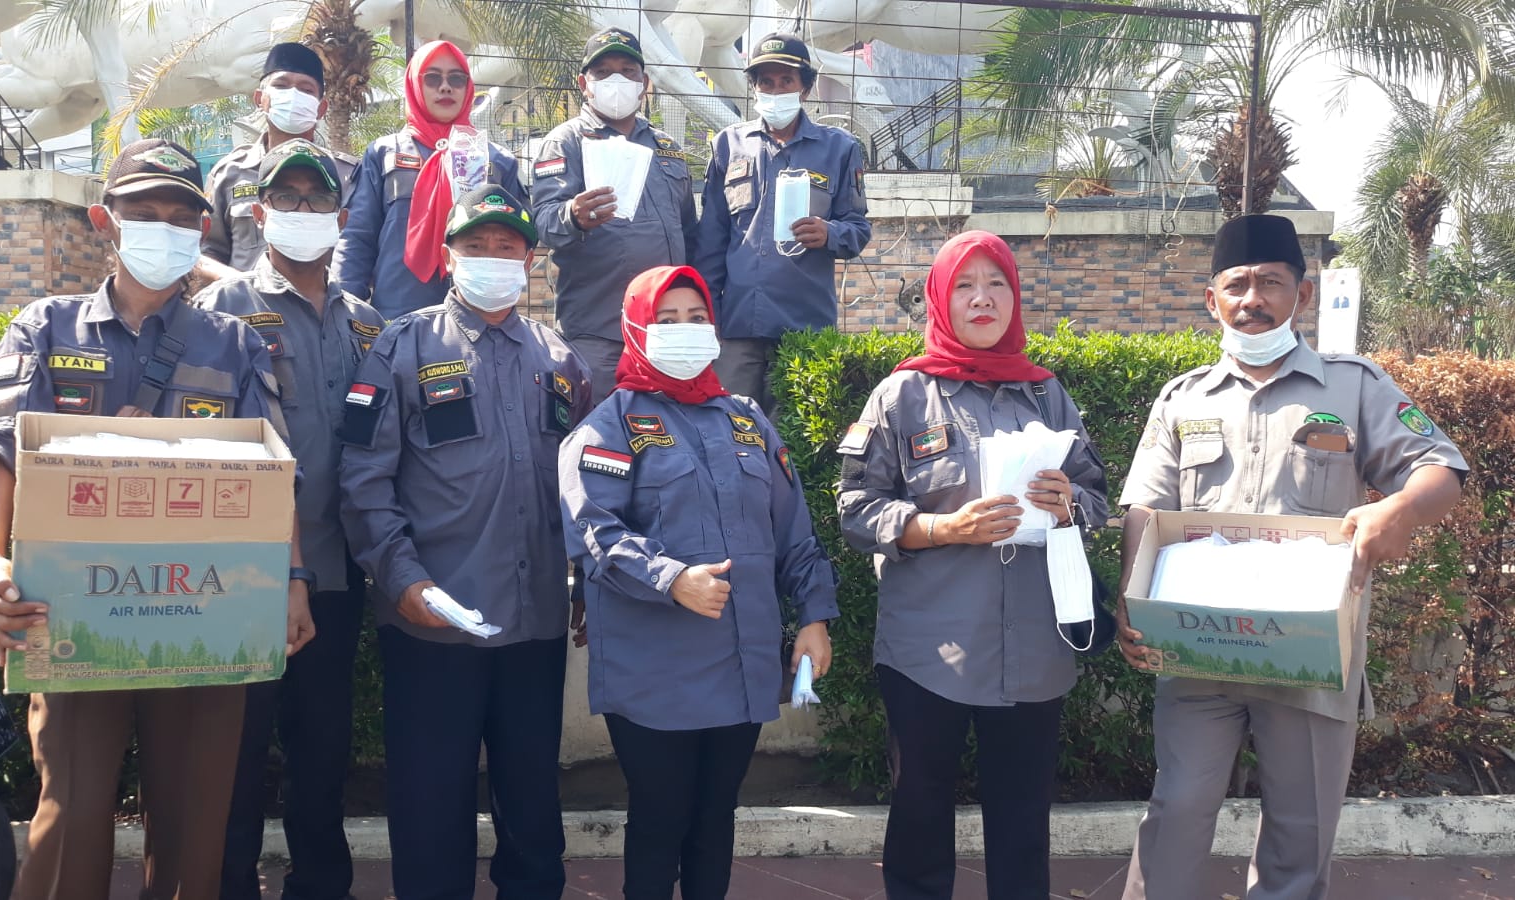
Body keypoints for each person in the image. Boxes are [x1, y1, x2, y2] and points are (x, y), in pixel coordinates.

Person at [0, 138, 314, 900]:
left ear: (201, 230)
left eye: (181, 217)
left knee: (195, 825)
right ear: (105, 221)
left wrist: (291, 578)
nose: (164, 228)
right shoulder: (45, 330)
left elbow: (274, 468)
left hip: (206, 609)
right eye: (144, 213)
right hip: (74, 608)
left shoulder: (236, 344)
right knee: (73, 814)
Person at [1114, 214, 1468, 900]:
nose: (1254, 299)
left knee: (1299, 835)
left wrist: (1402, 508)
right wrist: (1132, 600)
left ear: (1301, 296)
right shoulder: (1182, 398)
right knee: (1179, 811)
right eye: (1237, 285)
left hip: (1309, 656)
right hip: (1197, 653)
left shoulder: (1354, 386)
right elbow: (1145, 510)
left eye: (1271, 283)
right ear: (1211, 299)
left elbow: (1440, 467)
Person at [836, 231, 1108, 900]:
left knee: (1021, 820)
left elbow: (1098, 495)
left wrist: (1070, 503)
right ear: (940, 298)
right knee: (921, 812)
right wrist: (939, 528)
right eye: (965, 285)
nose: (982, 298)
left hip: (1035, 650)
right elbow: (855, 508)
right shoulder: (902, 396)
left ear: (1014, 298)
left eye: (997, 284)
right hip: (931, 649)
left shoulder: (1048, 396)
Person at [338, 184, 590, 900]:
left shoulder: (562, 360)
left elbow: (587, 489)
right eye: (474, 247)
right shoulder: (400, 345)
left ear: (530, 259)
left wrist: (584, 585)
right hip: (432, 620)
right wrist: (402, 579)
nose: (491, 259)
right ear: (448, 257)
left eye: (506, 248)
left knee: (533, 799)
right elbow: (363, 477)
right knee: (429, 801)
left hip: (534, 619)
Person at [558, 264, 838, 900]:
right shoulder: (610, 426)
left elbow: (793, 529)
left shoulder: (745, 420)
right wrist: (672, 577)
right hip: (656, 674)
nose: (684, 331)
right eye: (666, 320)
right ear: (636, 328)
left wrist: (815, 616)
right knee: (661, 822)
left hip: (741, 665)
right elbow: (594, 531)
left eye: (696, 319)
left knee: (716, 821)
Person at [193, 138, 384, 900]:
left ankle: (320, 887)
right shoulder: (222, 310)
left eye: (318, 198)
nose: (304, 210)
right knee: (234, 753)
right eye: (289, 197)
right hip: (244, 573)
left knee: (322, 749)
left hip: (337, 571)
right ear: (260, 210)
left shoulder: (369, 322)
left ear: (339, 214)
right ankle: (230, 884)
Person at [694, 32, 871, 406]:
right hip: (738, 327)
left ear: (805, 88)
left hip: (804, 324)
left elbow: (858, 228)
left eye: (786, 81)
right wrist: (706, 318)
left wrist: (830, 232)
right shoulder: (729, 144)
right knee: (732, 429)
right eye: (766, 82)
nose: (775, 91)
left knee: (795, 438)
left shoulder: (840, 148)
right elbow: (710, 241)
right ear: (755, 89)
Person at [530, 27, 698, 401]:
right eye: (603, 72)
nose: (616, 80)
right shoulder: (566, 142)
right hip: (599, 330)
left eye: (628, 71)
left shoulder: (667, 148)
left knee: (665, 437)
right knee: (602, 435)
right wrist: (572, 216)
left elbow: (690, 231)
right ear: (584, 84)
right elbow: (543, 221)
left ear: (645, 83)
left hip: (665, 328)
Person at [335, 40, 525, 320]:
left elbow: (517, 244)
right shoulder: (383, 153)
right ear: (414, 84)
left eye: (456, 79)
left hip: (480, 319)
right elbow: (357, 239)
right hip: (398, 316)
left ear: (469, 87)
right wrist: (348, 316)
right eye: (433, 77)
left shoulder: (496, 161)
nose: (445, 87)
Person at [201, 42, 360, 274]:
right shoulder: (229, 173)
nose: (293, 95)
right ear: (259, 99)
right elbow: (207, 250)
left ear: (321, 108)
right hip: (245, 308)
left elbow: (358, 251)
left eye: (306, 90)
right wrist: (237, 289)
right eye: (281, 86)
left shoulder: (348, 174)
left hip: (322, 306)